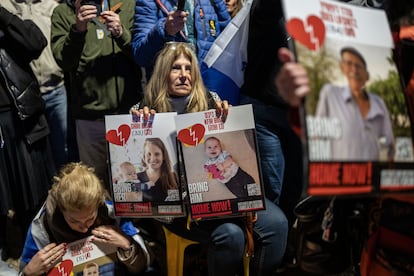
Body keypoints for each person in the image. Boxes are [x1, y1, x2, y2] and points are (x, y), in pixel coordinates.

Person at [131, 42, 289, 275]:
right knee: (231, 236)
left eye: (189, 69)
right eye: (176, 68)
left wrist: (229, 120)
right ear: (163, 72)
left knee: (278, 224)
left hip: (221, 196)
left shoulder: (211, 102)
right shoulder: (144, 113)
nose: (184, 75)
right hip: (181, 212)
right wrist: (138, 127)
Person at [51, 0, 143, 190]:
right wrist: (78, 29)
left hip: (128, 114)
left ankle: (130, 221)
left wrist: (121, 33)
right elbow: (63, 61)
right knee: (96, 184)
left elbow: (142, 54)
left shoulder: (128, 5)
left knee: (132, 182)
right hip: (89, 118)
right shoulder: (63, 12)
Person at [238, 0, 310, 231]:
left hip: (299, 114)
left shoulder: (314, 14)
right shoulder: (265, 9)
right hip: (264, 113)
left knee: (295, 188)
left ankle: (285, 249)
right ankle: (266, 250)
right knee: (271, 189)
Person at [19, 162, 151, 275]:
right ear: (61, 209)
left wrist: (128, 245)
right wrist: (28, 272)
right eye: (74, 221)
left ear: (98, 204)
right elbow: (25, 268)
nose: (84, 228)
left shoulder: (111, 212)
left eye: (90, 218)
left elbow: (144, 264)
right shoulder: (42, 227)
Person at [0, 6, 56, 261]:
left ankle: (38, 251)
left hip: (21, 116)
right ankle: (13, 253)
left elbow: (36, 42)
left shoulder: (7, 21)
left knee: (34, 194)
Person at [1, 0, 68, 170]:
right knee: (39, 154)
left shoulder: (50, 5)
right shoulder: (5, 5)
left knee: (63, 150)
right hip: (25, 94)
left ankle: (68, 192)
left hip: (55, 88)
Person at [315, 47, 395, 161]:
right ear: (342, 68)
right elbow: (317, 138)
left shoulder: (379, 103)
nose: (354, 70)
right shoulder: (330, 94)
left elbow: (389, 146)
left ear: (367, 75)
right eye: (349, 63)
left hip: (372, 175)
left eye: (359, 66)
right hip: (339, 175)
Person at [132, 0, 231, 79]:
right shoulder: (148, 2)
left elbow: (230, 42)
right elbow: (141, 55)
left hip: (209, 89)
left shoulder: (214, 2)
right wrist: (165, 30)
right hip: (169, 96)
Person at [139, 138, 179, 202]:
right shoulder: (136, 178)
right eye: (149, 154)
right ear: (144, 156)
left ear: (163, 156)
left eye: (157, 154)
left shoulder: (173, 177)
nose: (152, 159)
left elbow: (175, 204)